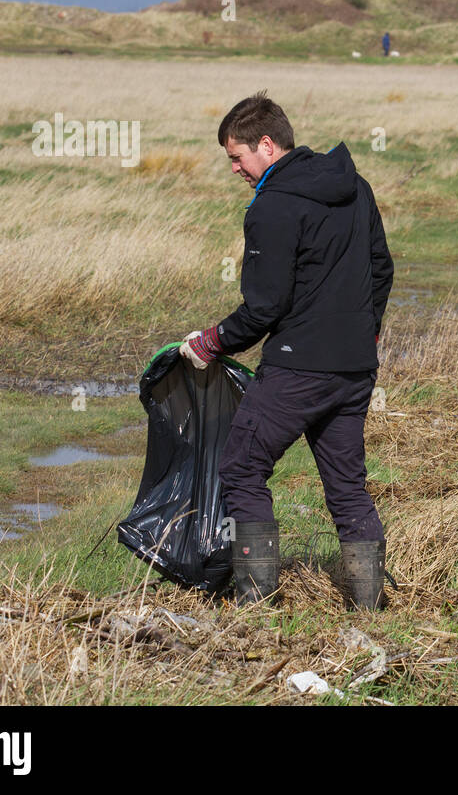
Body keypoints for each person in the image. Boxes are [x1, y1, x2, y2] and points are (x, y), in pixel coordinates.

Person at [180, 91, 394, 606]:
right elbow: (381, 269)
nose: (234, 169)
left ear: (268, 146)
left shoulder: (272, 208)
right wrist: (364, 336)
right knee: (347, 485)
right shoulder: (356, 187)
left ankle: (256, 605)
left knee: (242, 468)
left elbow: (263, 309)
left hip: (297, 369)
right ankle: (369, 610)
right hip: (355, 369)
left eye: (237, 156)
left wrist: (210, 342)